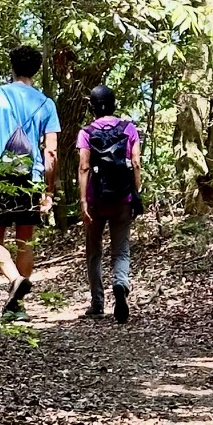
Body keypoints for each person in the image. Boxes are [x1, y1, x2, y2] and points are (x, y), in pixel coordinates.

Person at [0, 44, 60, 321]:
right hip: (31, 179)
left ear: (12, 67)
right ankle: (18, 306)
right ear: (36, 70)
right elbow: (51, 152)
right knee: (25, 240)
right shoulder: (46, 104)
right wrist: (48, 191)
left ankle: (15, 280)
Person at [76, 82, 142, 323]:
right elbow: (136, 163)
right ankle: (120, 284)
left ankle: (97, 303)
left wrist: (83, 201)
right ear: (114, 104)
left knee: (94, 251)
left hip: (96, 200)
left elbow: (84, 167)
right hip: (123, 197)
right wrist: (135, 192)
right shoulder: (129, 128)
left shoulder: (86, 132)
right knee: (121, 249)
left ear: (92, 107)